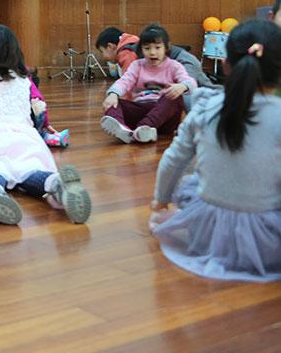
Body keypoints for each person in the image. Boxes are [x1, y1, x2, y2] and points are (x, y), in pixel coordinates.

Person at [150, 18, 281, 282]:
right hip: (268, 239)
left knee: (194, 181)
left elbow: (173, 161)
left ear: (225, 65)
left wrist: (160, 201)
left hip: (208, 232)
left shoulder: (205, 107)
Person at [0, 25, 91, 225]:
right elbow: (29, 117)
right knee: (28, 168)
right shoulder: (23, 80)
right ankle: (54, 183)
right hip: (22, 137)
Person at [100, 24, 198, 143]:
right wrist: (113, 94)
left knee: (174, 98)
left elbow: (191, 83)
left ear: (166, 48)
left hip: (164, 117)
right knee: (112, 102)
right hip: (142, 109)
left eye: (157, 48)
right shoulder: (137, 65)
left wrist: (183, 86)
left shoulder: (174, 66)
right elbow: (124, 81)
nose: (152, 53)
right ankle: (123, 130)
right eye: (147, 48)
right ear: (141, 50)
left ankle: (145, 128)